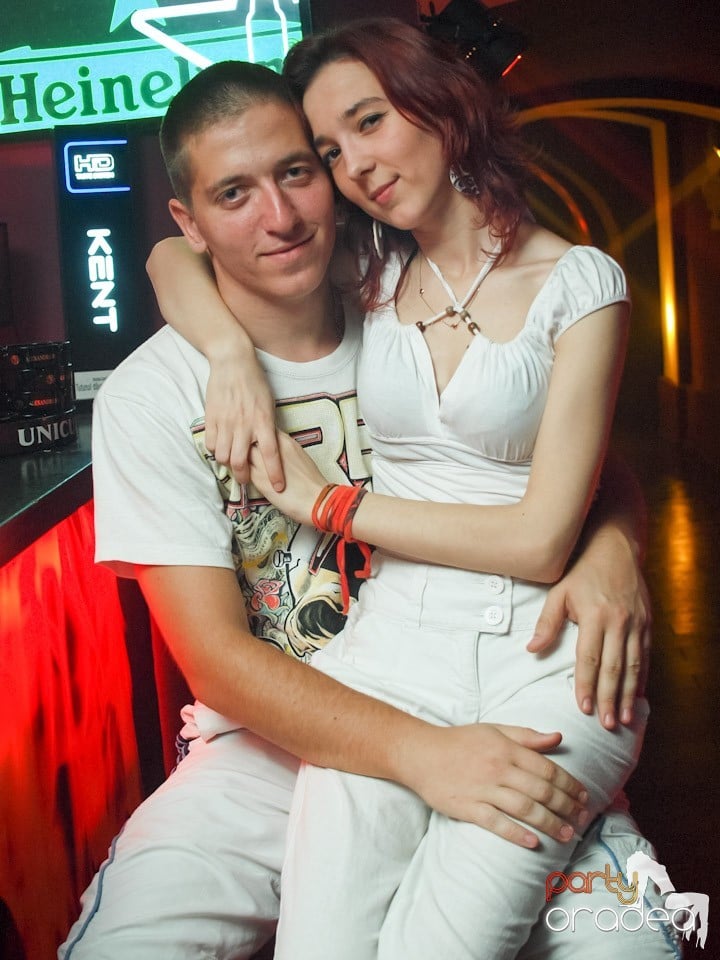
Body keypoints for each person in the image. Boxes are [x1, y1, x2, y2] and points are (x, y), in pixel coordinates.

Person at [58, 60, 674, 960]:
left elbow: (568, 460)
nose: (279, 217)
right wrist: (226, 354)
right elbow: (218, 663)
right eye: (234, 194)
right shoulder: (152, 397)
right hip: (273, 740)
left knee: (625, 946)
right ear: (191, 222)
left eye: (297, 172)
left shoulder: (397, 284)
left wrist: (614, 544)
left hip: (498, 681)